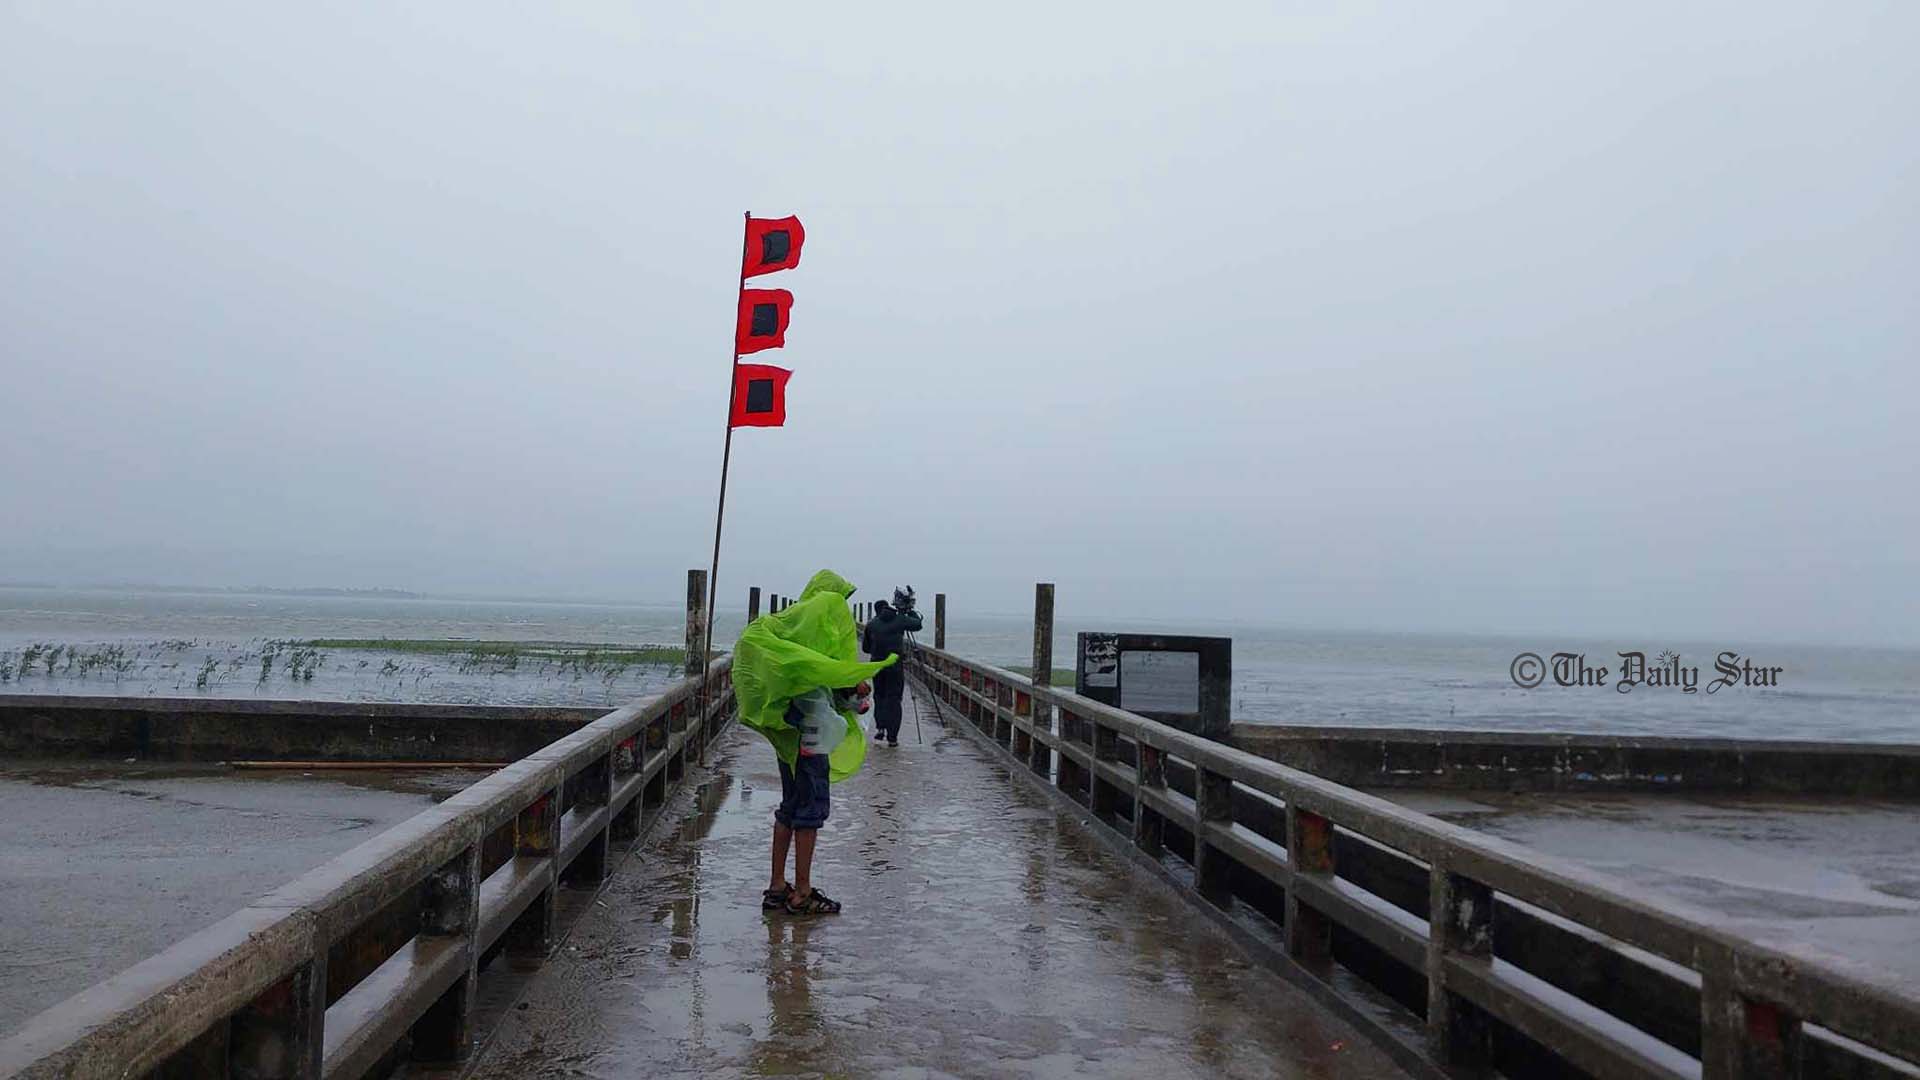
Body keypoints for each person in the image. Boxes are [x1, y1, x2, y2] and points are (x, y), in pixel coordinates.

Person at [732, 569, 893, 916]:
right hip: (811, 738)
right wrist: (854, 685)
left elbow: (812, 678)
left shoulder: (793, 643)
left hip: (789, 738)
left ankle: (777, 886)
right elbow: (827, 683)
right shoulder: (820, 639)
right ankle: (802, 892)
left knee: (789, 806)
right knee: (810, 811)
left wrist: (846, 684)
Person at [861, 587, 924, 747]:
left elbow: (865, 649)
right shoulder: (900, 620)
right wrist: (910, 611)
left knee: (879, 696)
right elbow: (917, 624)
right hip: (895, 666)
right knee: (894, 699)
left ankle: (880, 727)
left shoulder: (871, 624)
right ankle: (892, 737)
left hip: (876, 666)